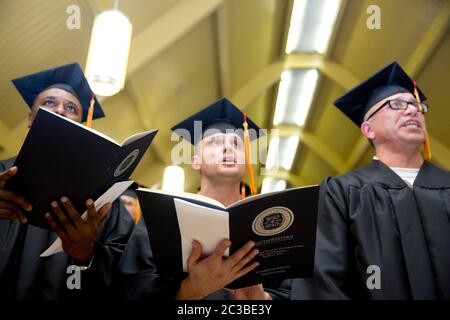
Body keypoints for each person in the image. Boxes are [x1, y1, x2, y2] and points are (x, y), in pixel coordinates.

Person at [289, 61, 450, 299]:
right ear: (368, 129)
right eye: (396, 104)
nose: (412, 110)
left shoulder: (446, 184)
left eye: (416, 105)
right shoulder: (342, 192)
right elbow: (326, 280)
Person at [119, 98, 289, 300]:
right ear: (196, 161)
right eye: (215, 142)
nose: (228, 148)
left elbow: (296, 290)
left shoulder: (270, 219)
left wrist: (263, 301)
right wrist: (188, 292)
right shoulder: (163, 214)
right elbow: (133, 285)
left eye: (236, 143)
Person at [0, 63, 135, 299]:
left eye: (71, 107)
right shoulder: (1, 173)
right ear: (31, 118)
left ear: (81, 124)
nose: (61, 110)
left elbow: (125, 270)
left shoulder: (104, 196)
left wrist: (88, 254)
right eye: (49, 103)